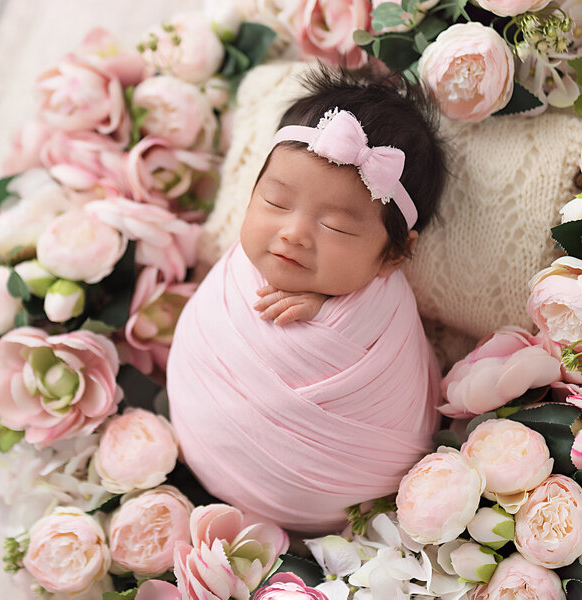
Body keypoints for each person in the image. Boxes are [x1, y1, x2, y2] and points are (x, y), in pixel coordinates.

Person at [165, 67, 448, 534]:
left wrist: (329, 310)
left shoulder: (382, 309)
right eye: (275, 202)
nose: (292, 233)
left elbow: (384, 357)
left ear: (393, 255)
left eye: (336, 227)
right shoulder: (237, 272)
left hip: (346, 498)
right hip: (194, 450)